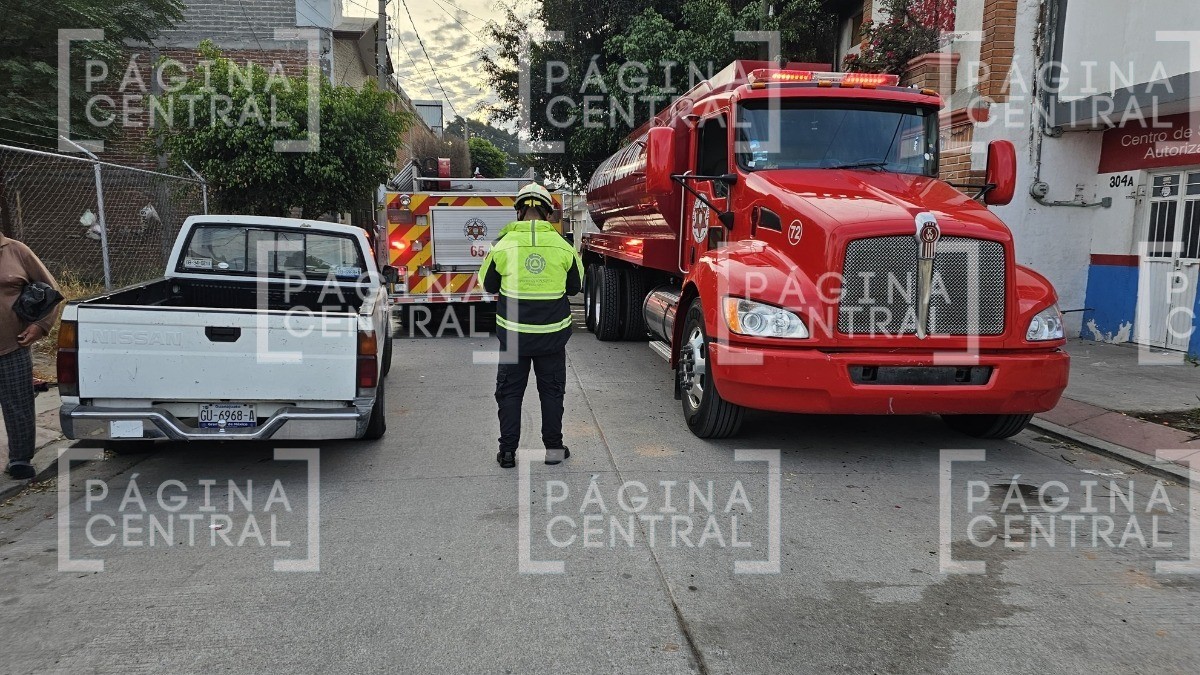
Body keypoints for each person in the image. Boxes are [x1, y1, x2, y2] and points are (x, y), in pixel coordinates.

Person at [479, 183, 583, 469]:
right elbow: (575, 287)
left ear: (519, 212)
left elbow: (488, 284)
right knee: (552, 393)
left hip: (514, 338)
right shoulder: (563, 246)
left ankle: (507, 453)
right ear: (548, 214)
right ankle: (553, 450)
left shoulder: (503, 245)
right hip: (552, 338)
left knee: (509, 393)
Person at [0, 233, 59, 479]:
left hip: (13, 345)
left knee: (19, 405)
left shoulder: (17, 251)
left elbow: (52, 292)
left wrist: (40, 326)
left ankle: (20, 459)